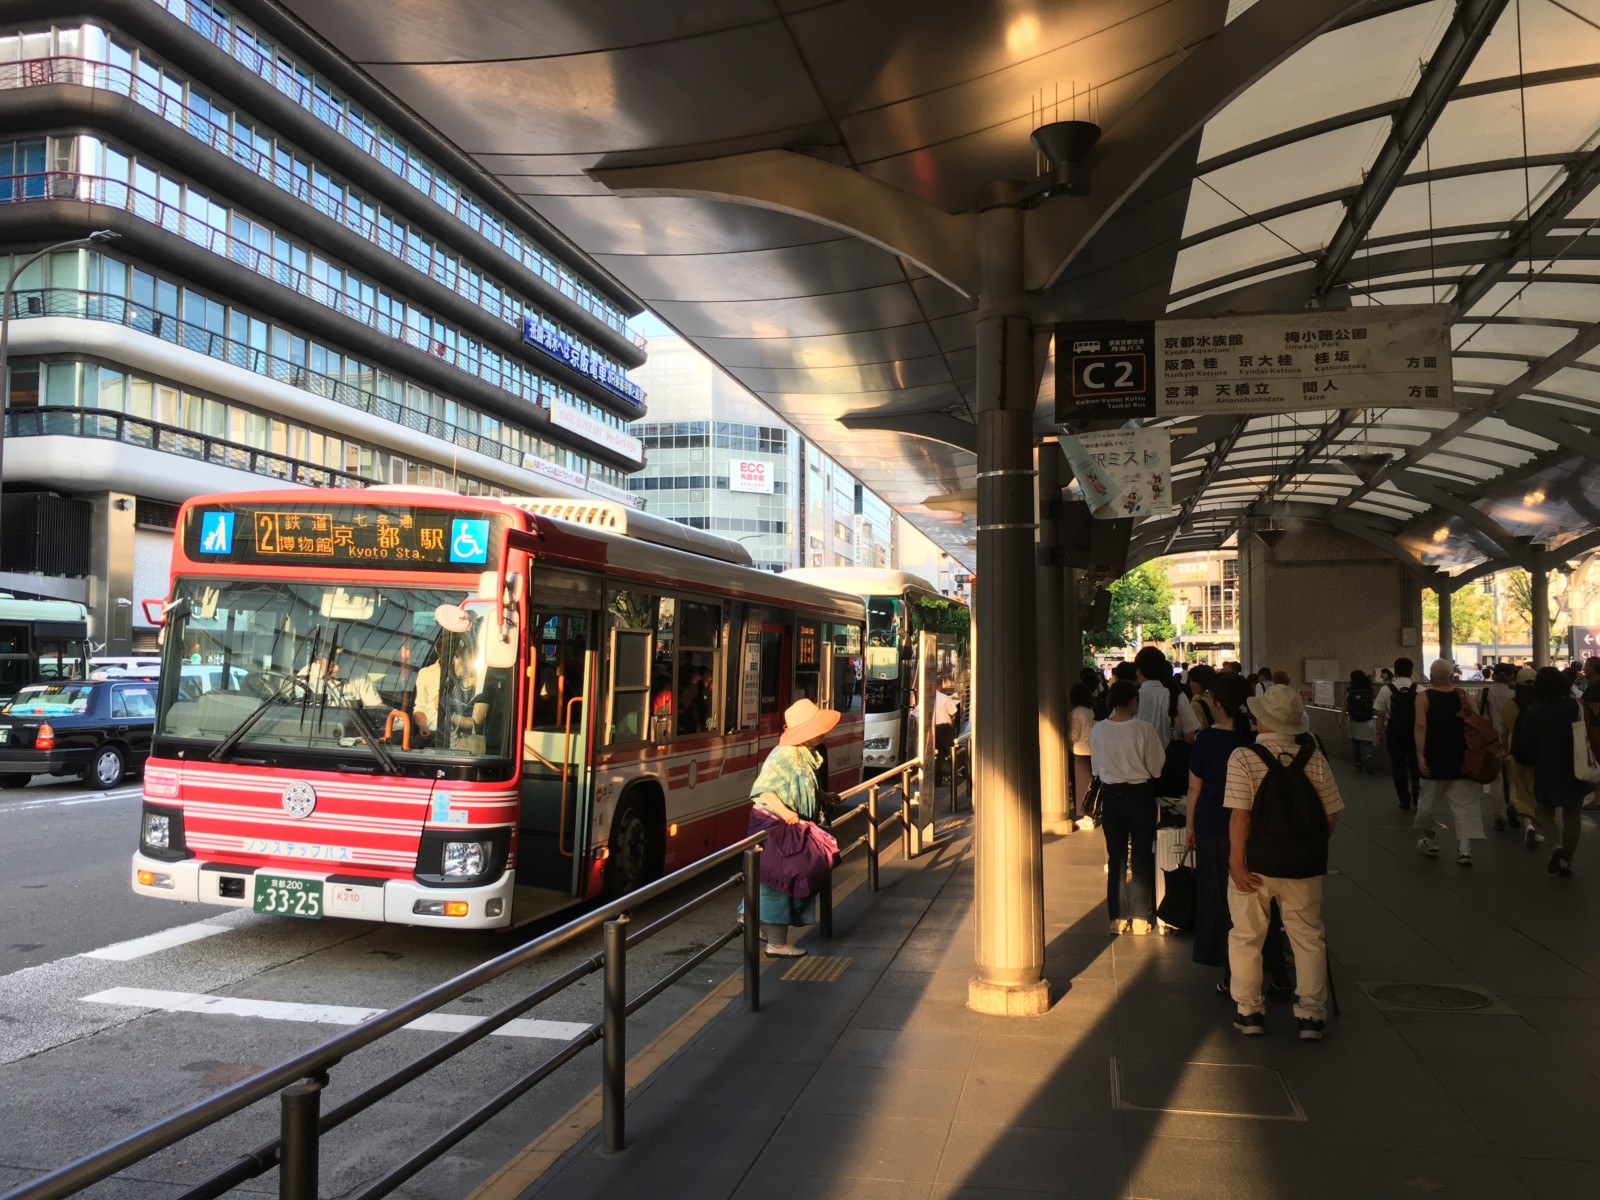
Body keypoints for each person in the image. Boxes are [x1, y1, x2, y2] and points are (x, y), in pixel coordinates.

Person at [1225, 684, 1343, 1041]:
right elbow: (1331, 817)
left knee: (1247, 936)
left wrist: (1236, 862)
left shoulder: (1243, 757)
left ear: (1262, 719)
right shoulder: (1314, 758)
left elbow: (1240, 817)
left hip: (1256, 862)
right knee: (1307, 937)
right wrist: (1305, 846)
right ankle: (1310, 1016)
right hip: (1303, 866)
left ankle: (1249, 1012)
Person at [746, 699, 841, 957]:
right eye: (818, 728)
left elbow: (803, 784)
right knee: (783, 880)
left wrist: (823, 795)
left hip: (786, 824)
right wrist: (786, 812)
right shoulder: (784, 755)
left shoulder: (801, 753)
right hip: (778, 826)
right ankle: (776, 942)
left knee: (775, 879)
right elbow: (763, 790)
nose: (823, 732)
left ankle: (754, 922)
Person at [1186, 671, 1253, 990]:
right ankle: (1270, 969)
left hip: (1212, 823)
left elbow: (1194, 789)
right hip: (1252, 826)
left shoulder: (1206, 739)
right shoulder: (1254, 737)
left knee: (1217, 897)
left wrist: (1189, 828)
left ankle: (1230, 970)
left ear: (1217, 704)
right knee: (1253, 897)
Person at [1090, 678, 1164, 935]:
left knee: (1117, 857)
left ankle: (1117, 918)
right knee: (1142, 855)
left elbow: (1096, 769)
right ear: (1134, 701)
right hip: (1140, 794)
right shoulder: (1144, 730)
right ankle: (1141, 917)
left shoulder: (1098, 730)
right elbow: (1156, 769)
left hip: (1111, 796)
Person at [1513, 667, 1589, 876]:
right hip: (1576, 765)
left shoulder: (1535, 710)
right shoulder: (1577, 706)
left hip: (1546, 766)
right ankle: (1567, 860)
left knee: (1543, 810)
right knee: (1572, 813)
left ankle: (1555, 846)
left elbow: (1526, 742)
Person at [1414, 658, 1484, 866]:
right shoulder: (1463, 694)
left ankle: (1431, 841)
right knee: (1466, 806)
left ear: (1431, 677)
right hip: (1464, 759)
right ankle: (1464, 850)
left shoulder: (1423, 696)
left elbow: (1420, 726)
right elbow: (1476, 721)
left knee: (1426, 806)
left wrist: (1420, 755)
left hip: (1434, 758)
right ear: (1452, 675)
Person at [1500, 667, 1540, 847]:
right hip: (1541, 755)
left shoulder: (1510, 706)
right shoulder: (1542, 704)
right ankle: (1539, 825)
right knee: (1537, 791)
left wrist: (1504, 751)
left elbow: (1505, 731)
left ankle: (1528, 825)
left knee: (1521, 791)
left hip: (1518, 754)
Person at [1375, 656, 1420, 809]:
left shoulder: (1386, 689)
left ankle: (1404, 799)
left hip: (1394, 732)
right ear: (1411, 671)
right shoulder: (1420, 689)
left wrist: (1379, 733)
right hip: (1416, 732)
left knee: (1398, 766)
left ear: (1395, 670)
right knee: (1416, 765)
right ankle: (1417, 796)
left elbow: (1380, 714)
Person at [1479, 662, 1518, 831]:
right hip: (1515, 742)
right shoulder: (1516, 694)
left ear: (1494, 676)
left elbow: (1480, 718)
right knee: (1514, 778)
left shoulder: (1484, 692)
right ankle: (1513, 805)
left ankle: (1498, 815)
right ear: (1512, 677)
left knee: (1496, 780)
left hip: (1492, 741)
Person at [1068, 681, 1096, 823]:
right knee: (1087, 783)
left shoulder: (1075, 712)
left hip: (1078, 750)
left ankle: (1083, 814)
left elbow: (1074, 735)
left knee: (1078, 783)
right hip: (1090, 749)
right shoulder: (1089, 711)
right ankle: (1089, 812)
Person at [1343, 670, 1377, 774]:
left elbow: (1345, 706)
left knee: (1355, 743)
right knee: (1367, 742)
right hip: (1367, 719)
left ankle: (1358, 764)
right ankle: (1368, 756)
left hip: (1353, 719)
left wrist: (1340, 718)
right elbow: (1374, 704)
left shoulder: (1350, 690)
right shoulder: (1370, 690)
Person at [1188, 663, 1218, 730]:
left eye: (1194, 681)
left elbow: (1196, 729)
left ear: (1202, 681)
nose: (1190, 684)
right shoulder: (1221, 698)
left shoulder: (1197, 702)